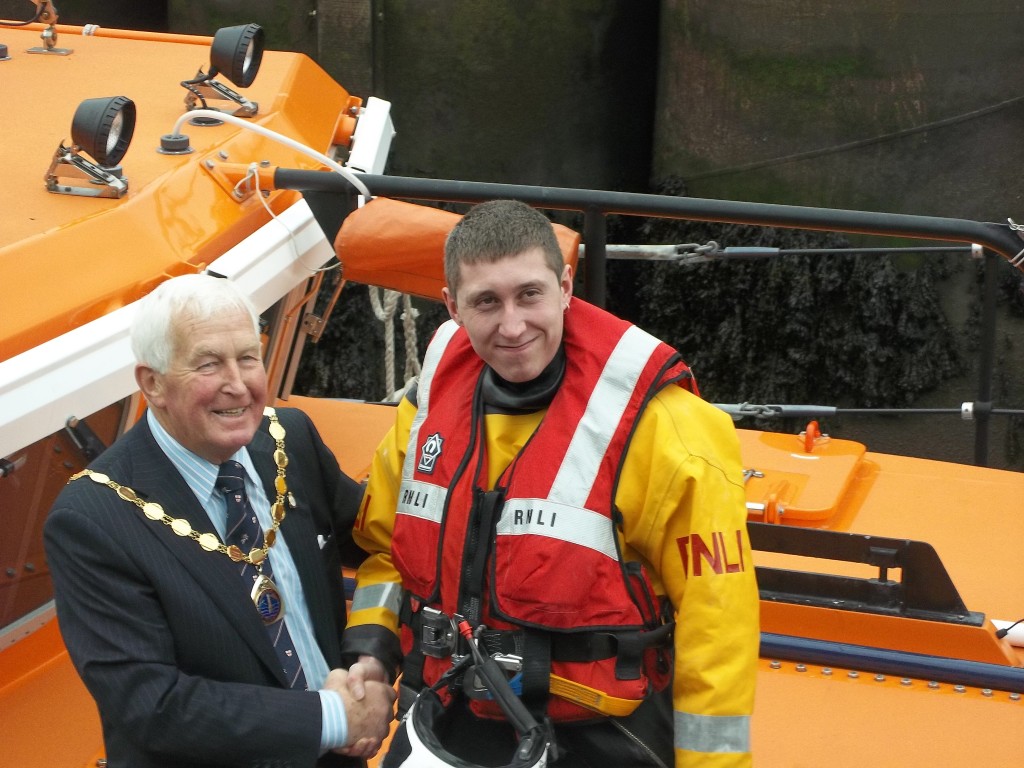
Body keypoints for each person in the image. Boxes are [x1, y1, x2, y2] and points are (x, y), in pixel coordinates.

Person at [340, 199, 759, 767]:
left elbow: (719, 622)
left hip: (600, 731)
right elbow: (387, 551)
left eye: (529, 294)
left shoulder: (666, 428)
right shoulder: (431, 401)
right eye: (486, 302)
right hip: (445, 708)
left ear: (564, 287)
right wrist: (371, 654)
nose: (512, 326)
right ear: (452, 306)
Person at [43, 273, 396, 768]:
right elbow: (153, 704)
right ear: (152, 383)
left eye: (248, 357)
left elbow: (393, 546)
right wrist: (334, 717)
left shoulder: (291, 439)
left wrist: (371, 658)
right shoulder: (92, 519)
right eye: (208, 364)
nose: (238, 384)